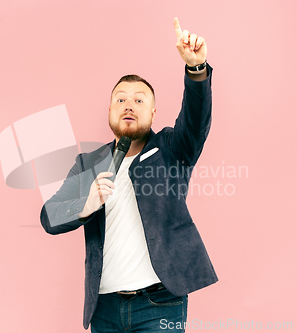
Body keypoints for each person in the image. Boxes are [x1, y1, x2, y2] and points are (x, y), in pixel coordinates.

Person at [40, 17, 217, 332]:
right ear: (109, 112)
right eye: (120, 99)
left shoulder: (171, 149)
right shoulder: (88, 163)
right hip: (104, 308)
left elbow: (195, 120)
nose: (129, 105)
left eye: (139, 100)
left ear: (152, 112)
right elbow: (48, 216)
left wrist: (196, 70)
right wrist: (85, 205)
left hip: (159, 304)